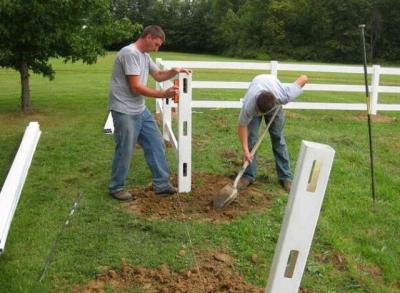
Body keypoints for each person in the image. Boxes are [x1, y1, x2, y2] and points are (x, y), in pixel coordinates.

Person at [108, 25, 190, 201]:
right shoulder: (129, 53)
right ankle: (116, 187)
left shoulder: (144, 56)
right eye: (157, 44)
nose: (157, 48)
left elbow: (159, 75)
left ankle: (161, 185)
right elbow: (136, 87)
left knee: (156, 142)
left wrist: (174, 72)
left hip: (139, 109)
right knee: (125, 149)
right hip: (124, 110)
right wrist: (163, 94)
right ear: (148, 37)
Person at [238, 74, 308, 193]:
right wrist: (245, 151)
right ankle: (248, 176)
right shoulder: (249, 105)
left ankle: (285, 177)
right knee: (251, 138)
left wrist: (299, 83)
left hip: (274, 98)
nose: (259, 114)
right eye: (258, 111)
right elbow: (242, 126)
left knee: (278, 138)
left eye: (261, 112)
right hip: (258, 84)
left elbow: (304, 78)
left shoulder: (284, 96)